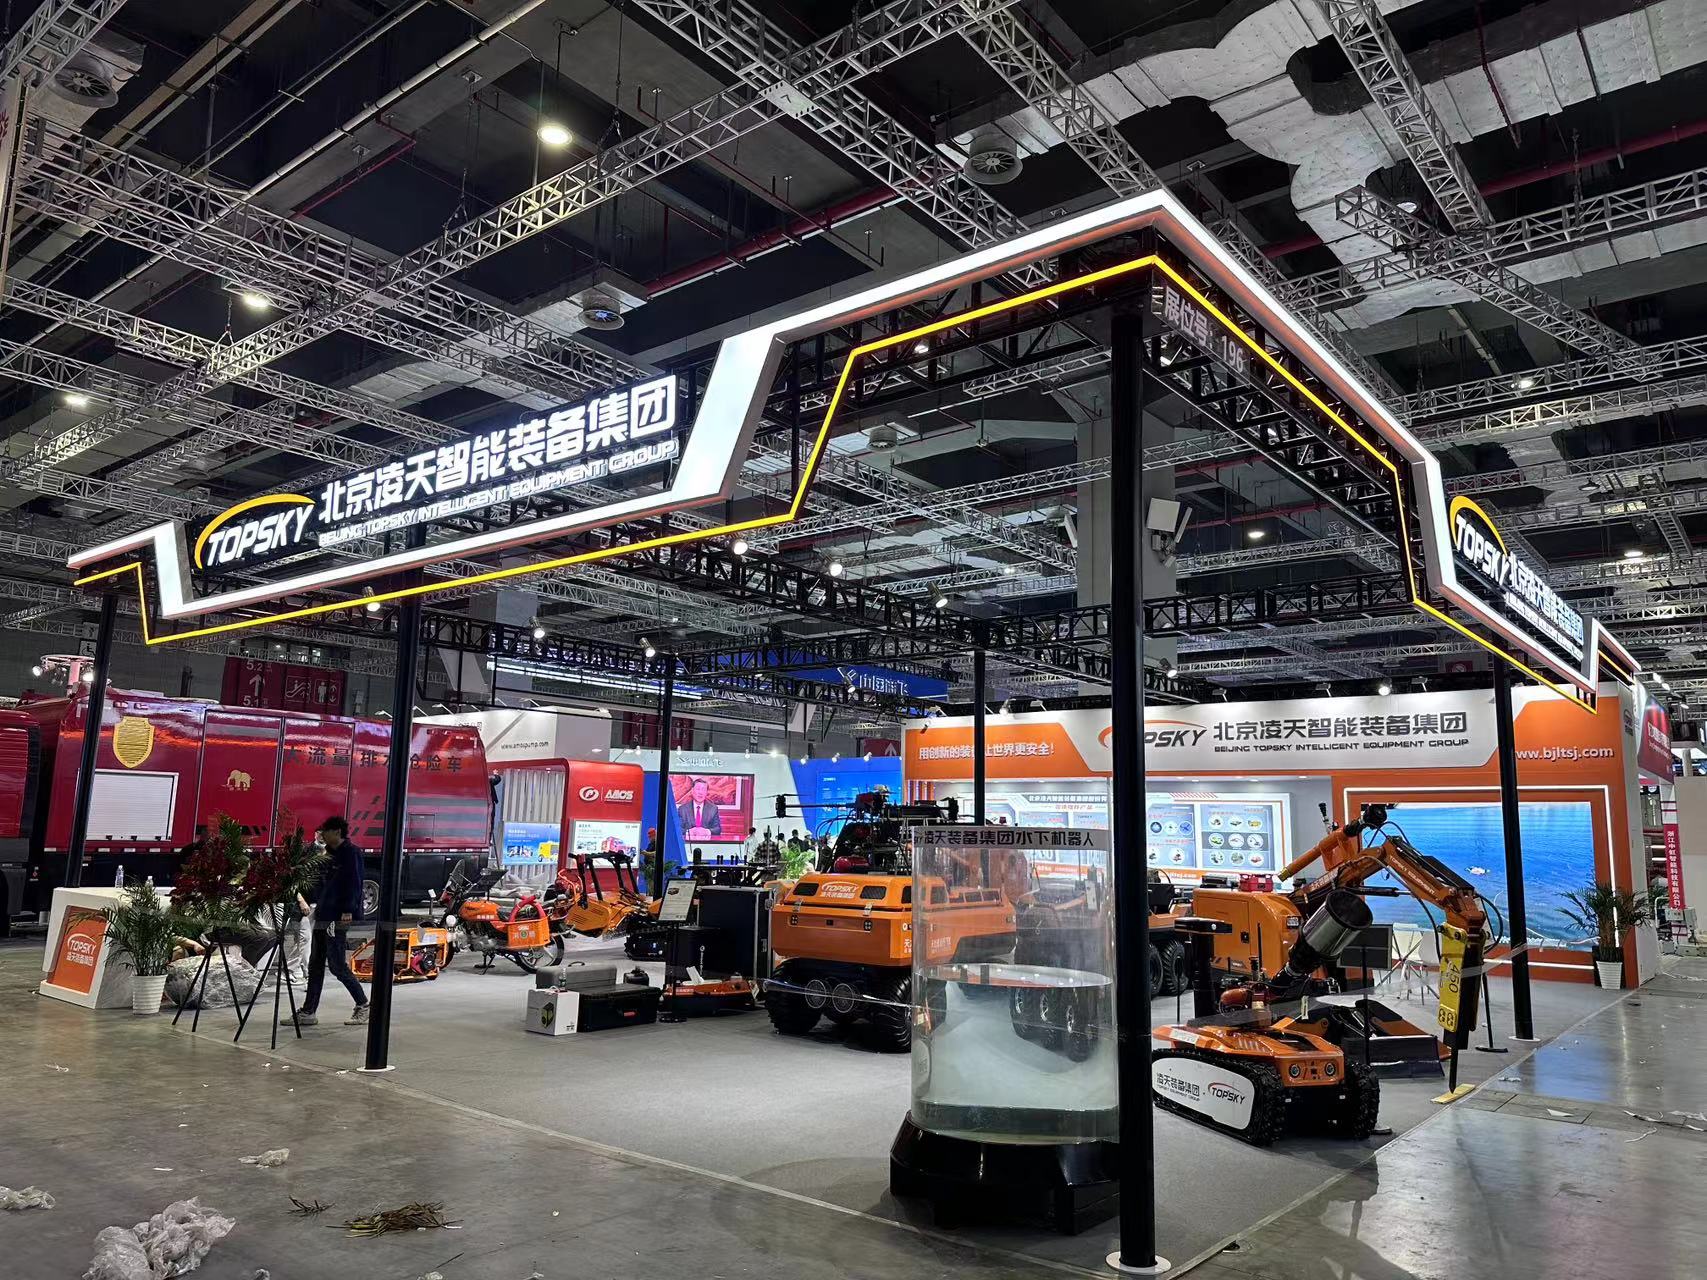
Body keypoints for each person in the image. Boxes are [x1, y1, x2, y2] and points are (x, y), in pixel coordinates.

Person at [295, 816, 369, 1027]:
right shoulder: (328, 854)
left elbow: (354, 883)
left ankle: (363, 1004)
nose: (322, 835)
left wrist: (347, 910)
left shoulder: (351, 853)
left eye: (325, 831)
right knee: (316, 964)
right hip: (323, 914)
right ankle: (308, 1011)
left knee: (336, 965)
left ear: (337, 831)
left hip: (337, 917)